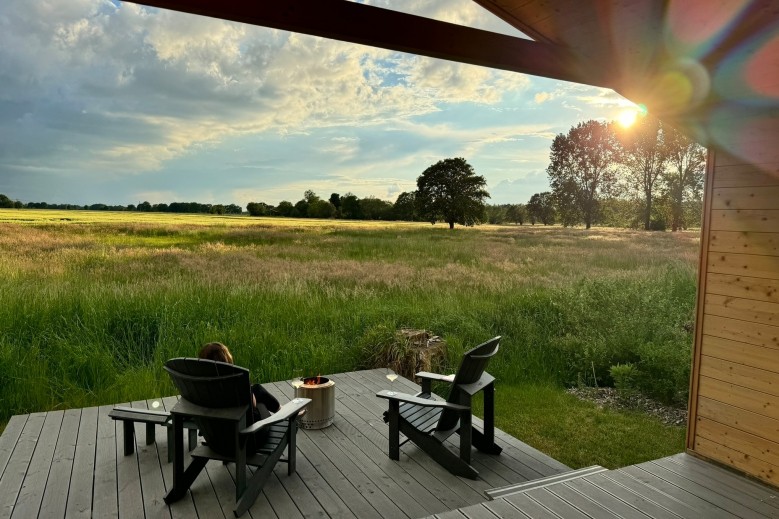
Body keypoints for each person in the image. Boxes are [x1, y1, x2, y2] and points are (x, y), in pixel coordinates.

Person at [197, 342, 280, 422]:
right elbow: (253, 404)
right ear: (226, 360)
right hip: (248, 428)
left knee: (257, 389)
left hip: (215, 425)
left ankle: (279, 408)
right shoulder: (237, 381)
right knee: (260, 403)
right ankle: (281, 411)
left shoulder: (200, 384)